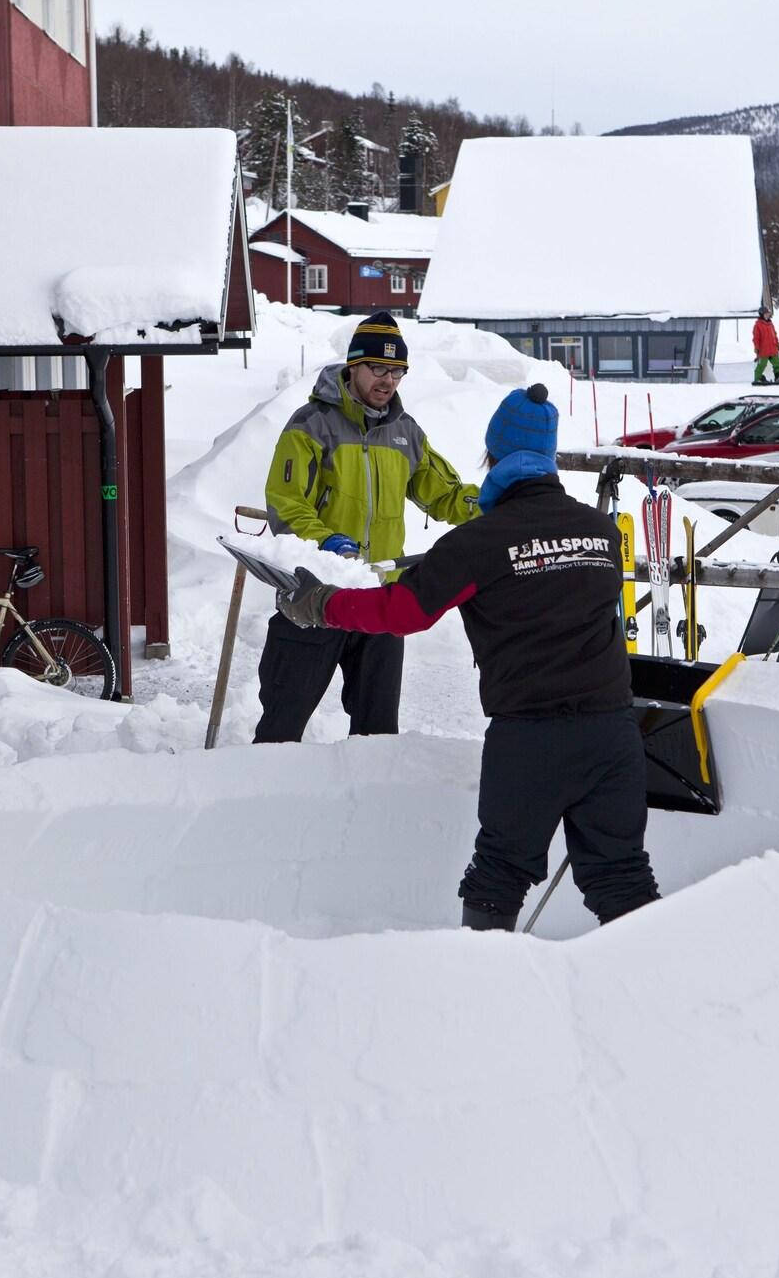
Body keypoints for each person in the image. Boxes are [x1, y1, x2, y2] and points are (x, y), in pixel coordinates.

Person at [274, 385, 661, 931]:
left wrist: (321, 603)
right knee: (623, 877)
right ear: (548, 457)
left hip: (530, 737)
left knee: (498, 878)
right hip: (613, 733)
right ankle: (649, 975)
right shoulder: (600, 532)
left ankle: (482, 979)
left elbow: (403, 611)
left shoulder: (479, 542)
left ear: (493, 456)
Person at [255, 311, 480, 743]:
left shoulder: (405, 433)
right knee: (281, 729)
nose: (388, 380)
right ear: (353, 366)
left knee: (378, 737)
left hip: (379, 601)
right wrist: (325, 541)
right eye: (378, 368)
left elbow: (446, 494)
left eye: (397, 371)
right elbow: (286, 504)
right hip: (314, 595)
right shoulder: (311, 425)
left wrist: (496, 506)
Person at [751, 309, 779, 385]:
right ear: (762, 314)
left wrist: (778, 345)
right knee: (762, 364)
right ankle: (758, 378)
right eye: (766, 313)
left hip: (773, 349)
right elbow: (756, 338)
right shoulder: (758, 325)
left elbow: (775, 336)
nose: (768, 315)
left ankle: (778, 376)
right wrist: (757, 348)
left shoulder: (771, 324)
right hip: (763, 350)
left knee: (777, 363)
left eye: (768, 313)